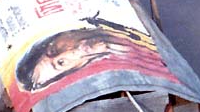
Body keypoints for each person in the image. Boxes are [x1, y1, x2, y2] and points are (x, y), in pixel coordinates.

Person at [15, 23, 163, 93]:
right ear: (76, 67)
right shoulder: (125, 62)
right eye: (61, 63)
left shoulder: (104, 20)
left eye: (54, 49)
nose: (68, 52)